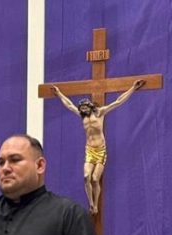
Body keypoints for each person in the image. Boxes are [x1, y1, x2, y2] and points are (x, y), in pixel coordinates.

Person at [52, 80, 144, 215]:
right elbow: (69, 104)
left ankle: (96, 204)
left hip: (100, 150)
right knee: (85, 176)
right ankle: (91, 204)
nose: (82, 109)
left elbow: (118, 102)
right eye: (81, 107)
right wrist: (59, 93)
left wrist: (132, 88)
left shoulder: (99, 113)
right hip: (89, 150)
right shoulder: (82, 116)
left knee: (95, 179)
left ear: (90, 106)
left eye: (85, 107)